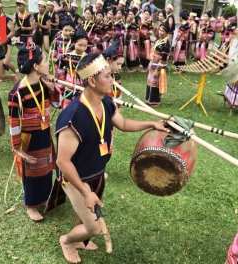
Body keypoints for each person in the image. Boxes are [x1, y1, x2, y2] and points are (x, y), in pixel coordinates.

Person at [56, 53, 169, 263]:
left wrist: (152, 124)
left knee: (85, 214)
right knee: (95, 227)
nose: (113, 80)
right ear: (92, 80)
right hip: (75, 179)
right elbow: (63, 161)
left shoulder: (106, 102)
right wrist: (84, 192)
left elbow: (123, 124)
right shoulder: (73, 117)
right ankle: (67, 240)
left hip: (96, 173)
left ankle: (80, 238)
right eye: (108, 76)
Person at [8, 43, 61, 221]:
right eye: (45, 60)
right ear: (36, 66)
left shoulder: (43, 84)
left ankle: (44, 197)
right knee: (32, 171)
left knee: (46, 168)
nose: (48, 63)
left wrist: (53, 88)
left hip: (44, 134)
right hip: (29, 139)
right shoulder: (17, 93)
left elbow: (56, 104)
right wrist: (17, 148)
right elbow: (14, 123)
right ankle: (31, 204)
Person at [0, 0, 19, 81]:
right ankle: (3, 76)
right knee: (0, 64)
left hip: (5, 43)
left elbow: (13, 31)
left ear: (0, 8)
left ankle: (15, 74)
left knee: (5, 61)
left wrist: (6, 37)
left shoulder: (6, 19)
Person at [61, 27, 89, 108]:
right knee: (67, 108)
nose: (82, 48)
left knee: (80, 109)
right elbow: (60, 70)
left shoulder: (88, 59)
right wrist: (61, 83)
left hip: (82, 89)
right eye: (80, 45)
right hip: (68, 88)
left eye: (85, 46)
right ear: (73, 43)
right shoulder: (66, 56)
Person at [145, 22, 170, 106]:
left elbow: (164, 59)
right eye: (160, 30)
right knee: (150, 82)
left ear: (167, 32)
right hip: (153, 63)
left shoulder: (166, 44)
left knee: (156, 84)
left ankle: (155, 102)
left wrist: (158, 70)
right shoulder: (159, 40)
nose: (160, 32)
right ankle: (149, 100)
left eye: (162, 31)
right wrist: (150, 63)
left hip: (158, 66)